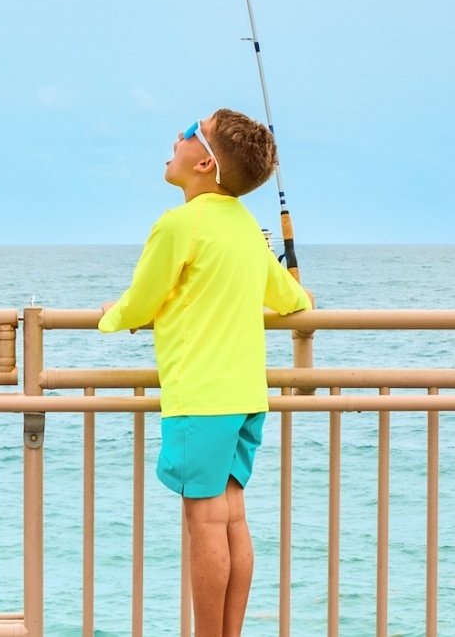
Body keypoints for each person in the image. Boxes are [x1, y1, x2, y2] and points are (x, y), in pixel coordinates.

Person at [98, 107, 312, 637]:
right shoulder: (244, 226)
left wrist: (110, 318)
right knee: (232, 516)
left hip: (201, 396)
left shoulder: (179, 224)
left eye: (191, 131)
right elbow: (288, 298)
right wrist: (302, 291)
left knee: (204, 523)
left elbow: (142, 299)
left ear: (206, 164)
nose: (178, 136)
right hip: (245, 396)